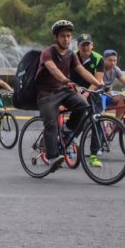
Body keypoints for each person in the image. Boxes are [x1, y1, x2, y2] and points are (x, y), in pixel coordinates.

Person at [36, 20, 104, 171]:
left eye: (69, 36)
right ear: (56, 37)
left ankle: (67, 131)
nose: (66, 39)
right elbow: (53, 70)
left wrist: (98, 84)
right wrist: (66, 81)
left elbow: (82, 71)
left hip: (62, 90)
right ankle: (53, 157)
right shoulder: (47, 53)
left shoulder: (71, 55)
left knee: (82, 105)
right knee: (51, 123)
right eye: (63, 36)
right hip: (46, 93)